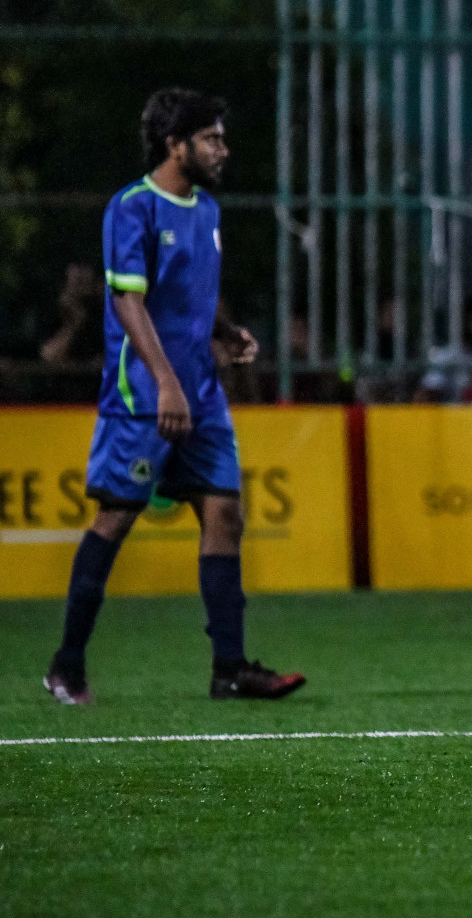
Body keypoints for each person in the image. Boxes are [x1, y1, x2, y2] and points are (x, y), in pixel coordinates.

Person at [43, 88, 305, 705]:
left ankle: (230, 668)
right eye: (211, 138)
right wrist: (164, 382)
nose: (222, 149)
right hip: (143, 397)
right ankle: (66, 665)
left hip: (202, 396)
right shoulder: (132, 208)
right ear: (175, 144)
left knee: (224, 514)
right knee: (116, 518)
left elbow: (194, 289)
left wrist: (225, 330)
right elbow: (127, 299)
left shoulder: (206, 210)